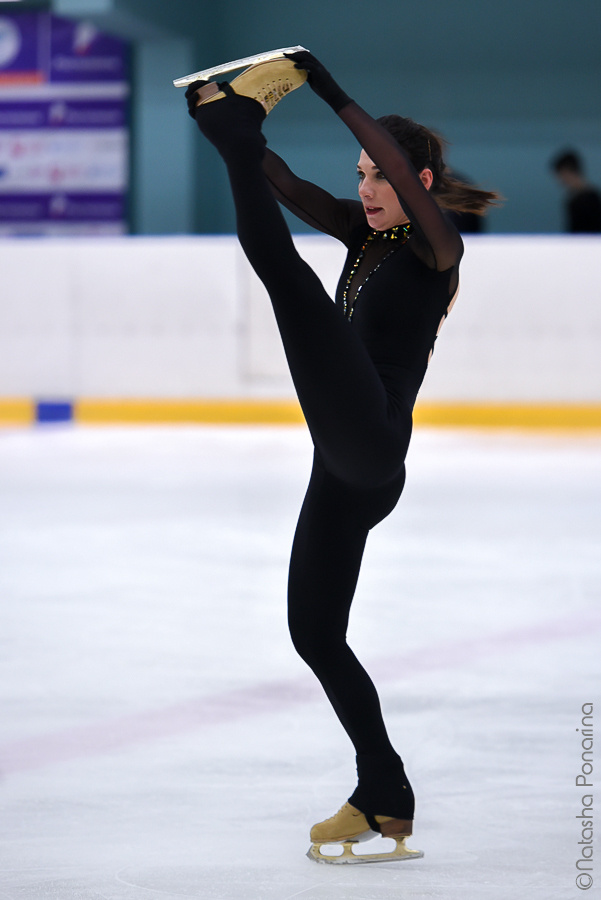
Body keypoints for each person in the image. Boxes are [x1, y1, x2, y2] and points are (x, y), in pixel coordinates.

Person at [184, 50, 499, 864]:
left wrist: (322, 87)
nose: (367, 187)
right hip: (343, 466)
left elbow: (394, 159)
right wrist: (229, 134)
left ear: (420, 183)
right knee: (313, 633)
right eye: (360, 174)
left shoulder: (438, 250)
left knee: (282, 275)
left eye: (381, 176)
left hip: (372, 438)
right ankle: (383, 789)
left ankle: (229, 123)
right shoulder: (363, 233)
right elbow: (282, 184)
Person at [550, 149, 601, 233]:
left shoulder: (588, 199)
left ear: (566, 172)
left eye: (560, 176)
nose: (560, 181)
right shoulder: (574, 199)